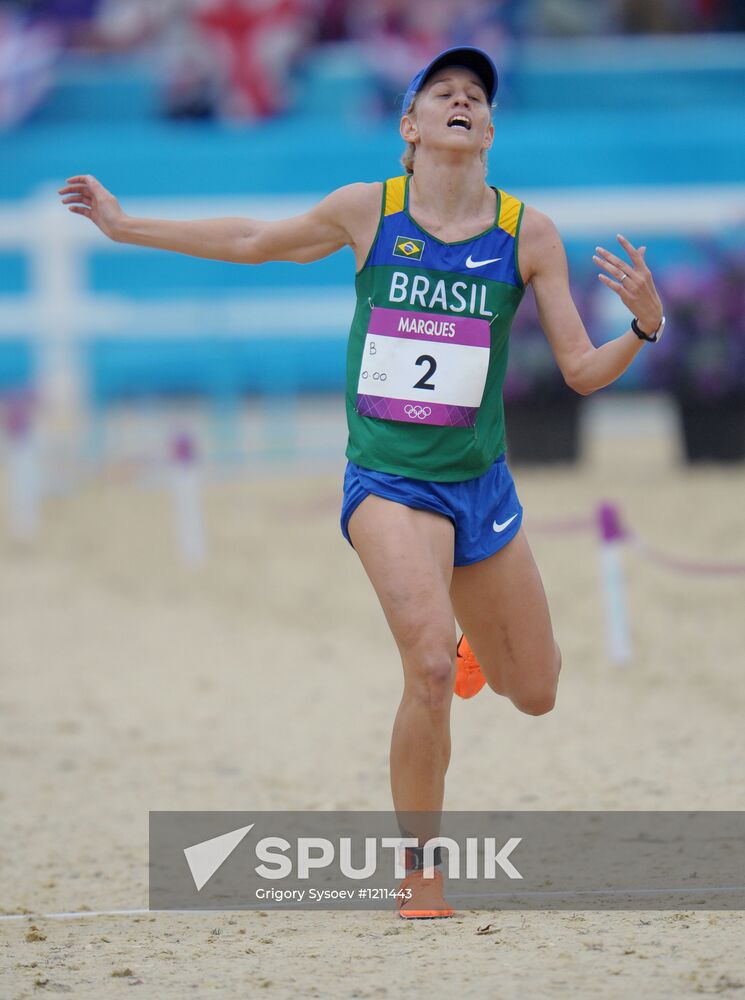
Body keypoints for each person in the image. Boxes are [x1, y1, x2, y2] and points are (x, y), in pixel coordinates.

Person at [58, 45, 665, 920]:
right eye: (441, 94)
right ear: (408, 129)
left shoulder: (527, 233)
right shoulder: (367, 211)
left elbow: (578, 370)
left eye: (474, 98)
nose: (460, 102)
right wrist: (126, 226)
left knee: (532, 691)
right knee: (423, 666)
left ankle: (469, 649)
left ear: (488, 130)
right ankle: (420, 870)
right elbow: (253, 242)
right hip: (386, 481)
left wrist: (643, 329)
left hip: (479, 485)